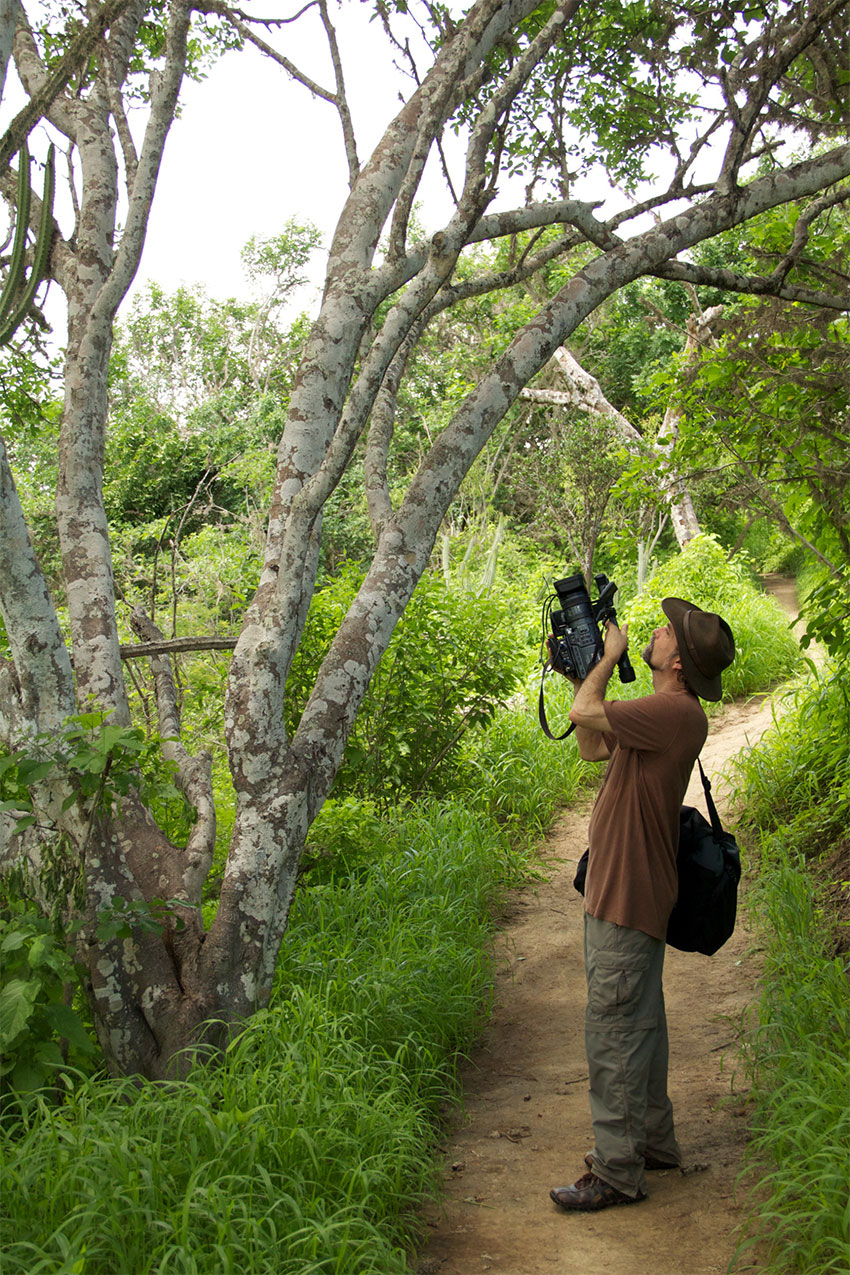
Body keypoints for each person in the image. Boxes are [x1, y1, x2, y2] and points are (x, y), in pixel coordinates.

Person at [548, 596, 736, 1212]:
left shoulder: (675, 712)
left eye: (664, 632)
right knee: (641, 1028)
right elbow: (591, 744)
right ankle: (653, 1140)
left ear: (677, 661)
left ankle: (616, 1170)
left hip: (628, 894)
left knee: (614, 1034)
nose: (654, 631)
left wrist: (604, 661)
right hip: (625, 890)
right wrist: (584, 671)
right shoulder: (661, 713)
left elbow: (583, 712)